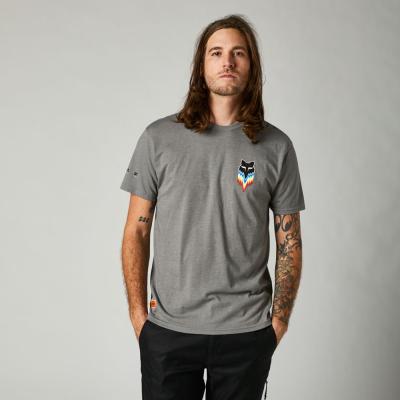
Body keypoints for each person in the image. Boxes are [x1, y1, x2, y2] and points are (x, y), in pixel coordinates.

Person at [120, 14, 305, 400]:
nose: (227, 62)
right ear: (201, 66)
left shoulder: (277, 147)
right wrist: (139, 318)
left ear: (251, 66)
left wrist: (279, 322)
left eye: (239, 53)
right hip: (169, 330)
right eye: (216, 52)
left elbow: (289, 242)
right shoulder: (158, 139)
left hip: (246, 332)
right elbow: (137, 229)